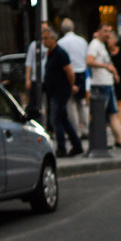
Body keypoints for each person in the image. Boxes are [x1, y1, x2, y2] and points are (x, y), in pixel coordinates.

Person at [86, 24, 121, 149]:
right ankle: (100, 140)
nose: (107, 34)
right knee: (100, 114)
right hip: (100, 84)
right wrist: (106, 67)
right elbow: (89, 61)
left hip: (107, 83)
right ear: (98, 31)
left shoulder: (102, 45)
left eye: (109, 31)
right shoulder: (94, 45)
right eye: (104, 31)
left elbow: (107, 63)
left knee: (113, 113)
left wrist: (113, 72)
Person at [41, 27, 82, 158]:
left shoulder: (60, 53)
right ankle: (77, 145)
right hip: (54, 92)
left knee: (55, 119)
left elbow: (70, 72)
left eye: (46, 38)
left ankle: (62, 147)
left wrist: (71, 86)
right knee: (63, 119)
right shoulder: (51, 53)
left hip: (59, 92)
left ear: (54, 39)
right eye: (43, 38)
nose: (44, 41)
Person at [58, 19, 89, 139]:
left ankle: (76, 130)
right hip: (81, 72)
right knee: (82, 103)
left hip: (68, 73)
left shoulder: (61, 43)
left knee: (70, 104)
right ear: (73, 28)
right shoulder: (82, 41)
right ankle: (86, 129)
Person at [25, 22, 52, 108]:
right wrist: (28, 79)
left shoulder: (51, 45)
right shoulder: (34, 45)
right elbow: (28, 63)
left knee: (50, 104)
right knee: (34, 103)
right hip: (36, 78)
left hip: (48, 79)